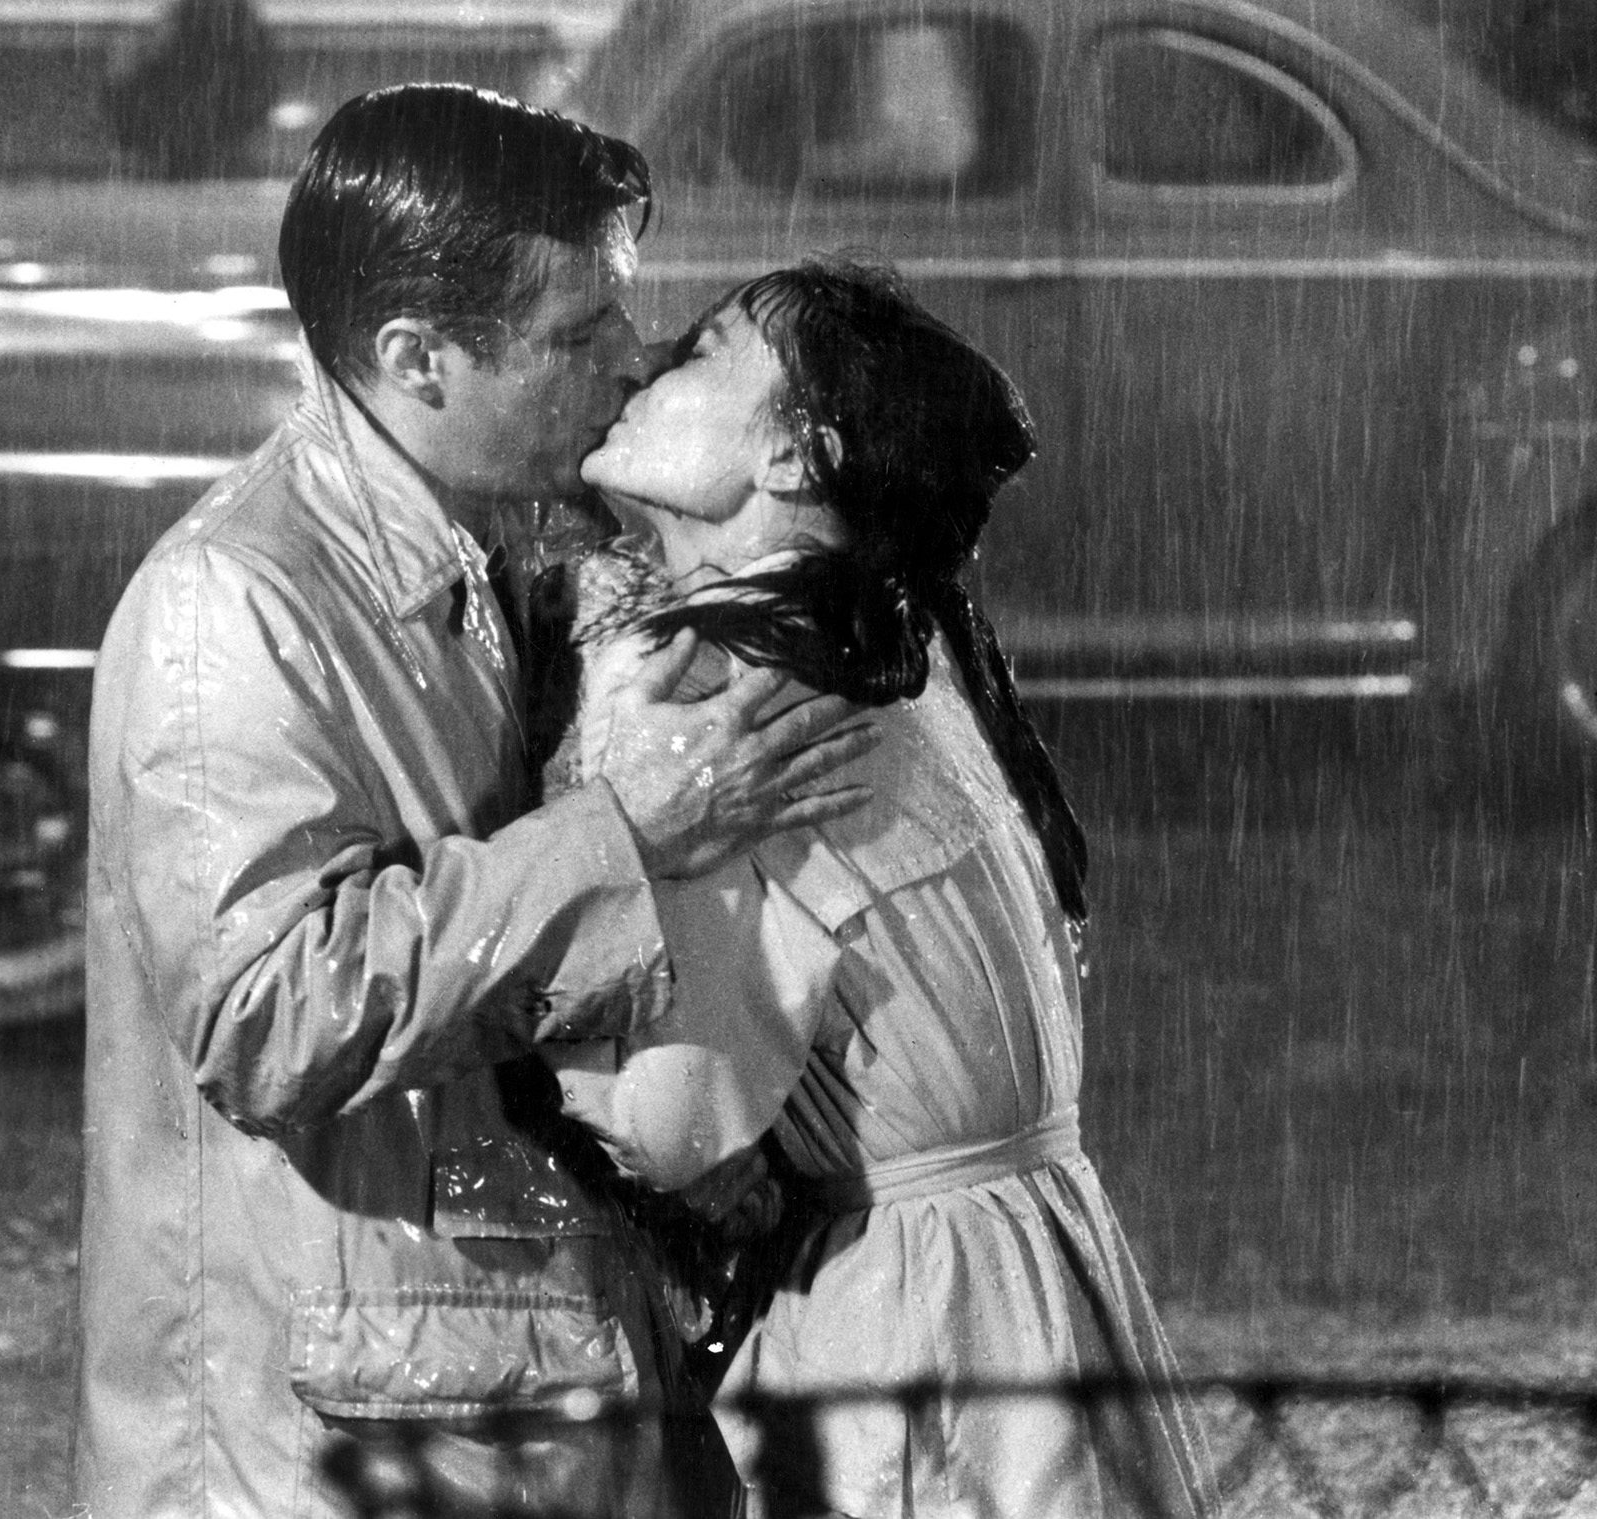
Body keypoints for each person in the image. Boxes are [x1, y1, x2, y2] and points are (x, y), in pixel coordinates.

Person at [73, 86, 878, 1519]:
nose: (631, 359)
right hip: (337, 1443)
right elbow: (266, 1013)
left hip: (488, 1381)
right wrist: (624, 834)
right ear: (414, 357)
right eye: (578, 332)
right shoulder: (235, 603)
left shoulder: (509, 530)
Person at [536, 259, 1217, 1519]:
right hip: (1031, 1269)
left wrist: (581, 906)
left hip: (911, 1322)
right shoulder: (903, 643)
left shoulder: (726, 683)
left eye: (702, 351)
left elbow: (671, 1123)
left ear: (794, 456)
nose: (646, 363)